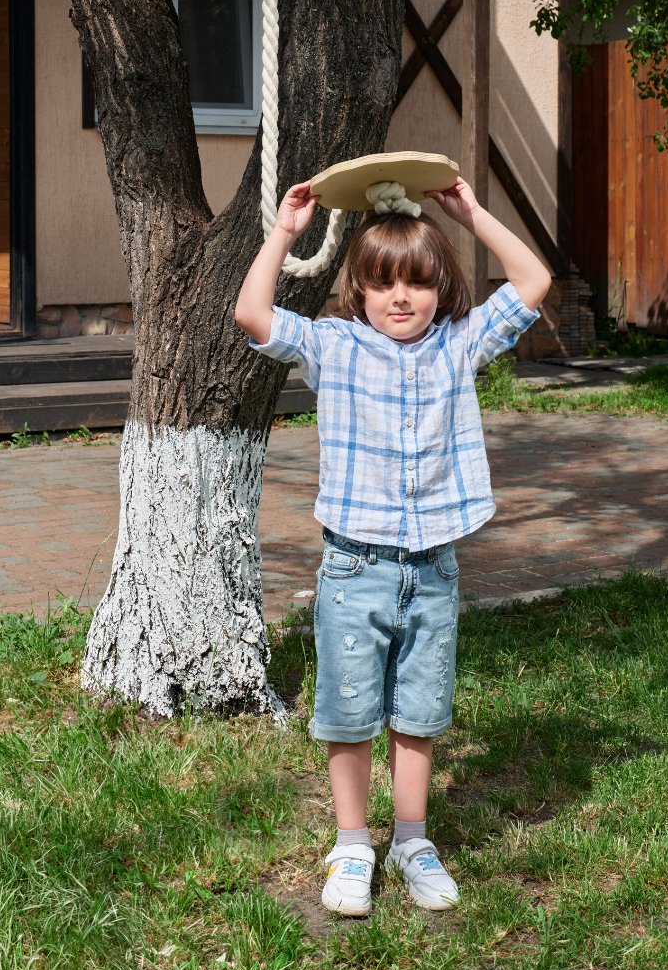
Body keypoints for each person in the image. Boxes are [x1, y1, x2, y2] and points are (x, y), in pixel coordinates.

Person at [236, 175, 551, 916]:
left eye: (417, 282)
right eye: (384, 284)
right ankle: (352, 844)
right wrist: (286, 232)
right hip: (355, 567)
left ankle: (412, 839)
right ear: (359, 291)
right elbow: (252, 313)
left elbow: (534, 279)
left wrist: (472, 215)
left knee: (419, 714)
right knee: (348, 715)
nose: (401, 297)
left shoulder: (458, 347)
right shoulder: (334, 347)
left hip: (433, 569)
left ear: (441, 289)